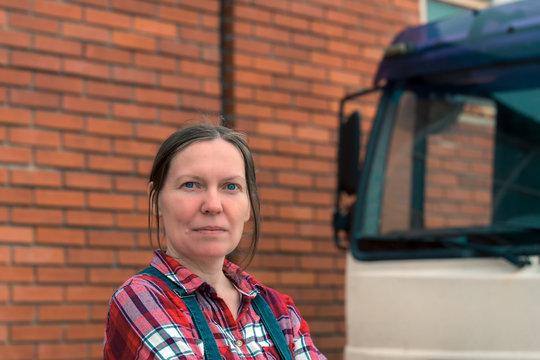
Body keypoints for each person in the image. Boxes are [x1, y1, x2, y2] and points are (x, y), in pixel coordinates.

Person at [104, 123, 327, 360]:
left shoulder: (280, 311)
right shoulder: (141, 299)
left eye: (231, 186)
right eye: (191, 184)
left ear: (248, 205)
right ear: (156, 201)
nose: (213, 205)